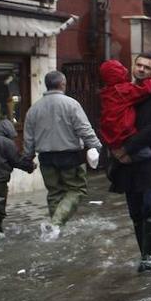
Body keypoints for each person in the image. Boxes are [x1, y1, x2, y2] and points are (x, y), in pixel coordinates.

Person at [107, 54, 151, 273]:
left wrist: (125, 149)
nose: (142, 69)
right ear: (132, 67)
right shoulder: (124, 93)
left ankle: (149, 257)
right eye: (139, 65)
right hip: (128, 164)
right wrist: (115, 150)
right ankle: (144, 253)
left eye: (147, 67)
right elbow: (111, 121)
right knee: (136, 212)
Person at [23, 70, 102, 236]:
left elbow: (28, 138)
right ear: (62, 84)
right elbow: (84, 129)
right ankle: (56, 223)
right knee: (77, 189)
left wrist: (28, 158)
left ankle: (55, 231)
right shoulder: (71, 104)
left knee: (54, 192)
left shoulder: (34, 109)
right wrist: (95, 146)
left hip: (45, 158)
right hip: (70, 156)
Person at [98, 59, 151, 163]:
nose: (125, 69)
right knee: (147, 153)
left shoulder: (107, 91)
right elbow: (144, 90)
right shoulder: (122, 90)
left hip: (112, 134)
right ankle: (125, 160)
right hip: (124, 133)